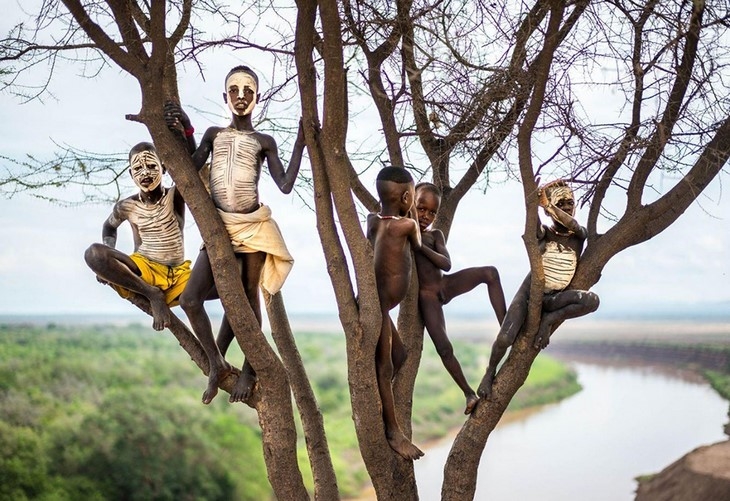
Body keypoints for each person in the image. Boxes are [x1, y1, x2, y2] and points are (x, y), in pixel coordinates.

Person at [165, 65, 305, 405]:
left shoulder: (264, 141)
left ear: (257, 98)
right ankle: (216, 361)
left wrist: (302, 139)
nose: (240, 96)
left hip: (253, 228)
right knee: (189, 299)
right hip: (219, 229)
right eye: (234, 90)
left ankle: (250, 370)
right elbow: (191, 165)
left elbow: (285, 185)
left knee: (244, 297)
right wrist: (185, 127)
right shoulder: (214, 135)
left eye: (248, 91)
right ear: (225, 96)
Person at [478, 179, 599, 400]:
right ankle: (489, 373)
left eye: (569, 203)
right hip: (530, 294)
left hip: (555, 299)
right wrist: (533, 205)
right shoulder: (544, 233)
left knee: (592, 301)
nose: (566, 207)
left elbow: (572, 224)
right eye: (559, 204)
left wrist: (548, 205)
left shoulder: (579, 234)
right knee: (505, 338)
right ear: (548, 210)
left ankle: (549, 318)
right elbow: (532, 229)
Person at [413, 182, 507, 414]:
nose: (426, 216)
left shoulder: (435, 235)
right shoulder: (401, 231)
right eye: (421, 208)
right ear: (410, 204)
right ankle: (468, 393)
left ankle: (507, 330)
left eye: (432, 212)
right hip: (427, 298)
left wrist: (419, 245)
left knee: (490, 273)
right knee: (444, 348)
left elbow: (446, 263)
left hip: (445, 284)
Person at [84, 142, 190, 332]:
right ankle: (153, 294)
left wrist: (182, 131)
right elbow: (109, 227)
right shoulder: (126, 206)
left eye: (151, 166)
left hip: (178, 274)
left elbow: (194, 165)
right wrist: (110, 257)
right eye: (138, 169)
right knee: (93, 253)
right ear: (132, 174)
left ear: (164, 168)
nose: (145, 174)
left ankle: (217, 358)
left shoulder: (177, 195)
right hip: (144, 271)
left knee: (231, 284)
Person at [366, 166, 424, 461]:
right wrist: (411, 211)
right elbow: (419, 248)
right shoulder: (408, 227)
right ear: (405, 197)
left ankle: (381, 394)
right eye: (412, 197)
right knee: (386, 366)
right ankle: (393, 431)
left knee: (399, 357)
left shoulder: (372, 220)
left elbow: (371, 238)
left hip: (379, 302)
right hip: (381, 304)